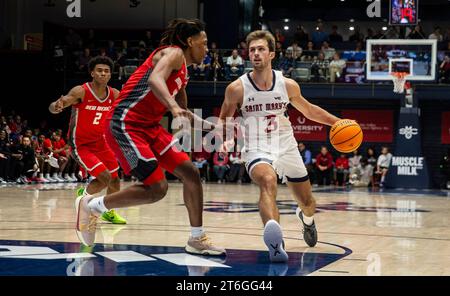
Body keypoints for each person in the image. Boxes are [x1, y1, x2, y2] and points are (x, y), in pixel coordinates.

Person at [73, 19, 225, 256]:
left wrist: (214, 127)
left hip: (151, 128)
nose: (207, 49)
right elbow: (155, 80)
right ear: (189, 42)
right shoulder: (173, 53)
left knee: (191, 174)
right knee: (157, 187)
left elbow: (184, 113)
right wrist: (172, 107)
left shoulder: (183, 72)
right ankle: (92, 206)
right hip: (125, 123)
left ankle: (197, 238)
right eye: (204, 44)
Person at [217, 30, 340, 262]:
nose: (255, 53)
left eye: (261, 49)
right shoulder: (236, 88)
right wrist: (228, 138)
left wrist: (337, 122)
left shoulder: (287, 84)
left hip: (286, 144)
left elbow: (310, 110)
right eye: (252, 50)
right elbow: (224, 119)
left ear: (272, 53)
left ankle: (307, 219)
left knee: (308, 203)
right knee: (268, 181)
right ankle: (276, 243)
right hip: (255, 146)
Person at [49, 56, 127, 225]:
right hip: (81, 144)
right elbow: (61, 103)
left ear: (110, 75)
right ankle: (84, 203)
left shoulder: (114, 94)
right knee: (105, 177)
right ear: (92, 73)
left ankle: (108, 211)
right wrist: (57, 106)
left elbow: (126, 112)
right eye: (99, 70)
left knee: (114, 179)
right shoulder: (81, 91)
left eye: (106, 71)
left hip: (102, 142)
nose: (103, 73)